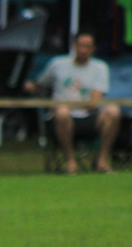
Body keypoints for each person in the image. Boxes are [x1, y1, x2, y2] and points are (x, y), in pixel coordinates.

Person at [23, 31, 120, 174]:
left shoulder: (100, 68)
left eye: (87, 46)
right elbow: (40, 86)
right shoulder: (57, 64)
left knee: (113, 111)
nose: (83, 50)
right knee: (62, 111)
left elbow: (94, 103)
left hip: (89, 118)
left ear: (93, 49)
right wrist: (23, 85)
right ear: (74, 46)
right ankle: (70, 161)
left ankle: (102, 160)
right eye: (80, 45)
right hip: (61, 119)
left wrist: (71, 102)